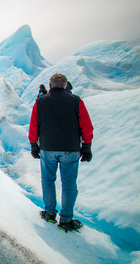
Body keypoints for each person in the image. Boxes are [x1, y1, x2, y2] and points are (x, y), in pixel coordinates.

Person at [28, 73, 93, 232]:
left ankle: (50, 213)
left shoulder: (40, 102)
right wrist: (87, 146)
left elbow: (34, 125)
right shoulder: (76, 101)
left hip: (48, 148)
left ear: (49, 86)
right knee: (69, 184)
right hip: (70, 149)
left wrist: (33, 145)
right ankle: (66, 220)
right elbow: (86, 126)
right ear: (66, 85)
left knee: (48, 180)